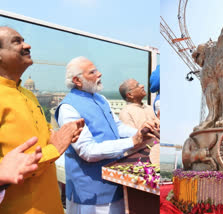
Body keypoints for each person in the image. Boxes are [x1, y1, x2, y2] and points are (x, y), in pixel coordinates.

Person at [55, 56, 159, 214]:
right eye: (93, 72)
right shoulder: (68, 108)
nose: (99, 74)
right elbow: (87, 151)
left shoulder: (100, 99)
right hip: (90, 195)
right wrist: (133, 141)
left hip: (115, 185)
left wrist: (142, 132)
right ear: (77, 80)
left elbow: (116, 127)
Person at [0, 26, 85, 214]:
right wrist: (54, 149)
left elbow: (46, 137)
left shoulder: (28, 95)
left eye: (24, 40)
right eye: (17, 41)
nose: (27, 45)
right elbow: (11, 168)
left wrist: (64, 135)